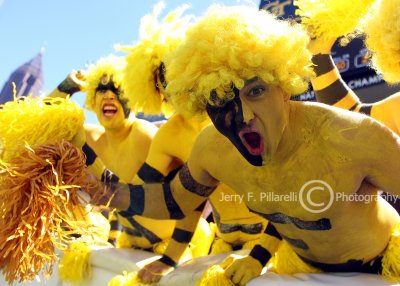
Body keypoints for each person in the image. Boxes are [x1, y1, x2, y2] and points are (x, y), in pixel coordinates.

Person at [87, 5, 400, 285]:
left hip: (382, 265)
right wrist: (104, 190)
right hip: (299, 268)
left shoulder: (352, 136)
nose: (244, 116)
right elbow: (174, 200)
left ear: (285, 85)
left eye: (257, 91)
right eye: (220, 99)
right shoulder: (212, 149)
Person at [118, 4, 268, 283]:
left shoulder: (237, 114)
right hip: (221, 241)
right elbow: (173, 198)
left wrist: (263, 253)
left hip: (268, 240)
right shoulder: (168, 136)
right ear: (156, 89)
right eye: (162, 78)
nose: (171, 84)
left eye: (177, 71)